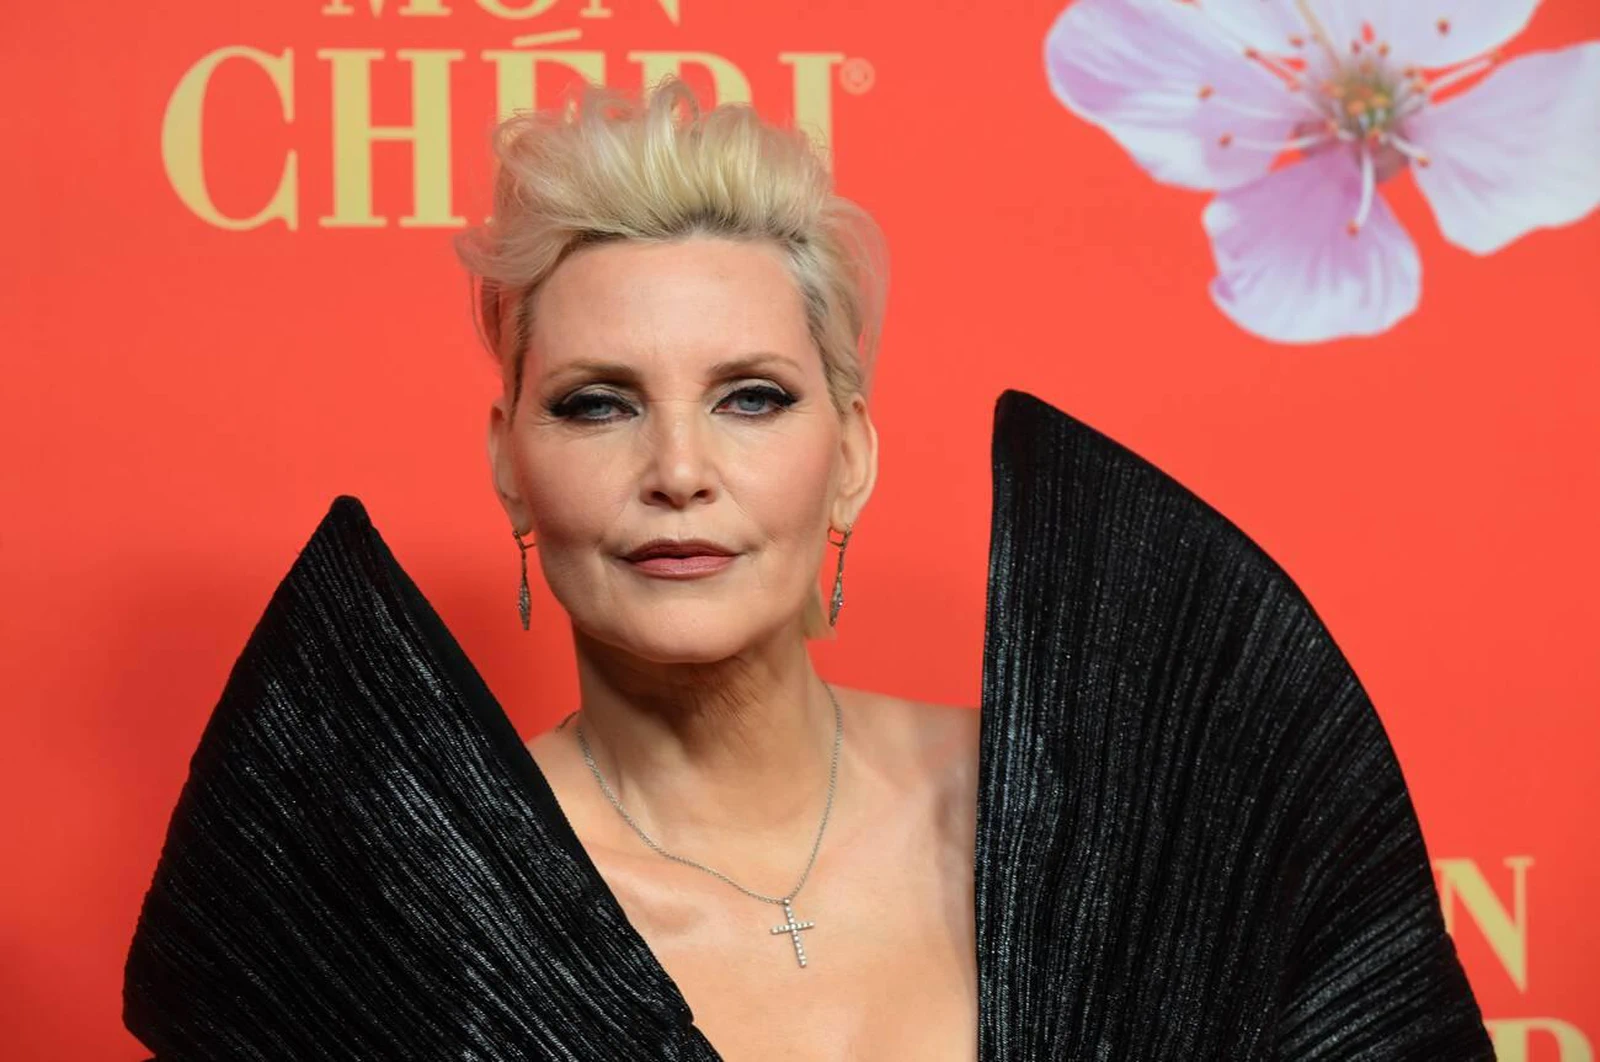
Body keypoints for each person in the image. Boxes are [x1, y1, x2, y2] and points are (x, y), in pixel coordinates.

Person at [122, 78, 1495, 1060]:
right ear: (509, 463)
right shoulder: (396, 910)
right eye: (597, 403)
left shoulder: (1138, 819)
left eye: (753, 398)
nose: (678, 468)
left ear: (851, 457)